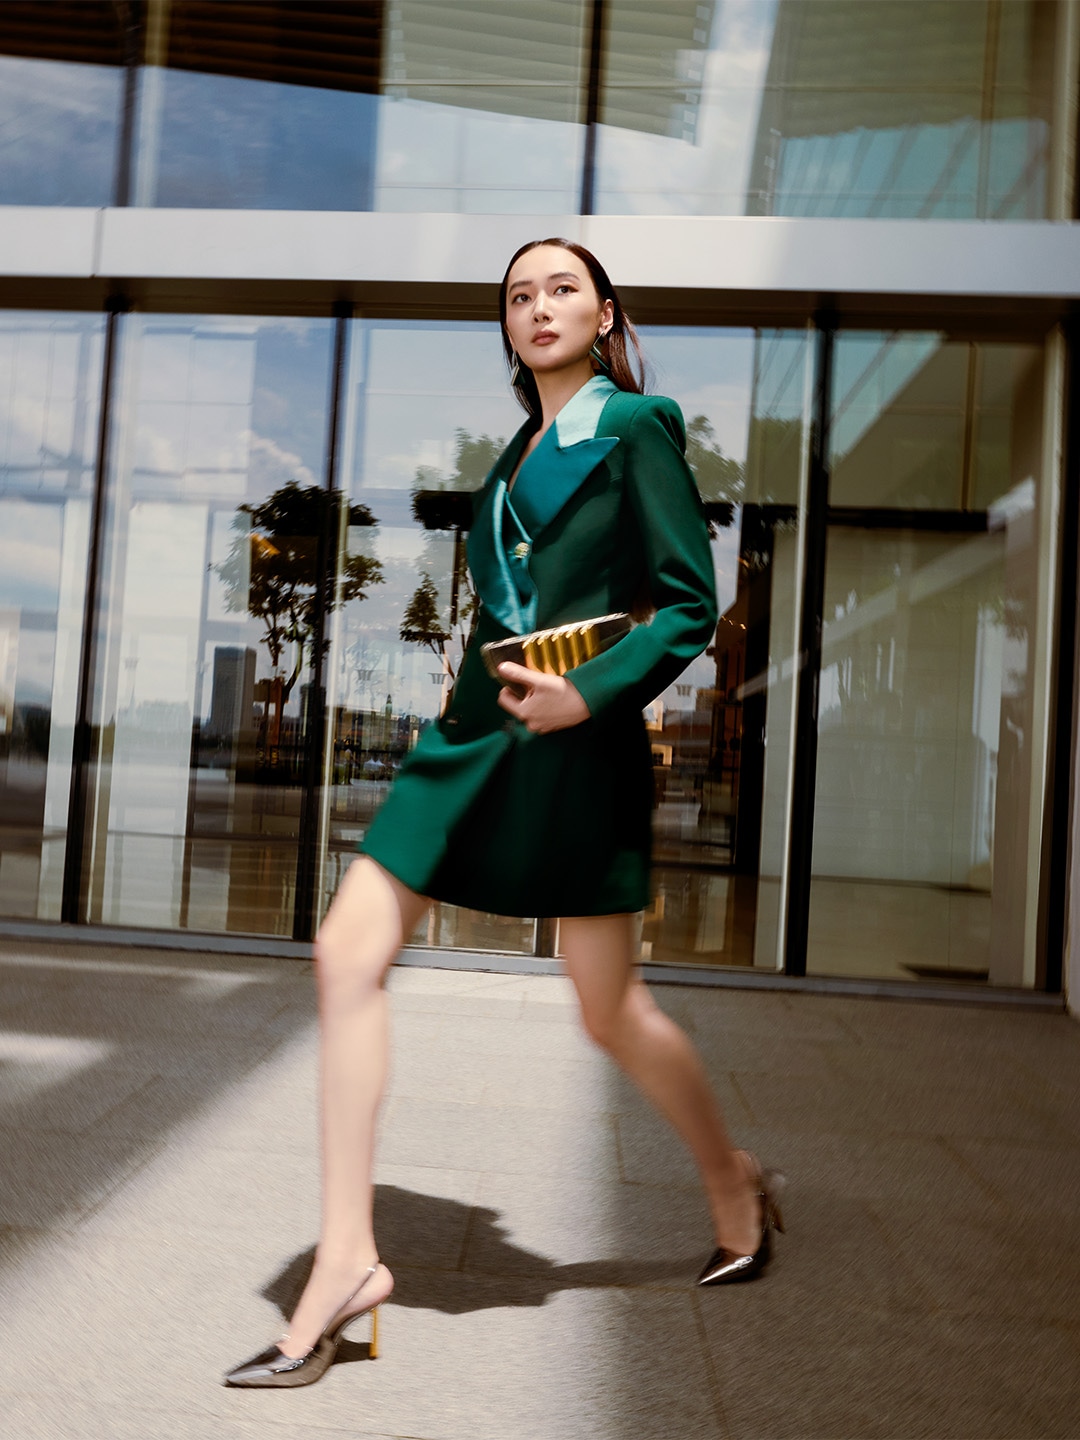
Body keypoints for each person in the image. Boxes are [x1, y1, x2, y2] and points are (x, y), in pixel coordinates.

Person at [224, 238, 785, 1389]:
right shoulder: (512, 455)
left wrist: (591, 693)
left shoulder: (636, 429)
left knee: (607, 1010)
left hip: (578, 737)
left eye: (562, 289)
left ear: (605, 312)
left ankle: (734, 1178)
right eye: (520, 295)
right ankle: (347, 1261)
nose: (539, 306)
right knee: (344, 951)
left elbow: (690, 602)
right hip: (475, 731)